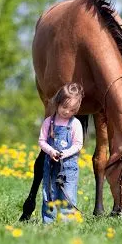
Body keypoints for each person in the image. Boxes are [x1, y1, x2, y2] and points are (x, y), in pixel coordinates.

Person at [38, 83, 84, 223]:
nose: (67, 112)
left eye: (71, 110)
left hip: (68, 168)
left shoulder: (75, 124)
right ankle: (48, 223)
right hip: (51, 166)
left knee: (67, 195)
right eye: (64, 107)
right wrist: (51, 151)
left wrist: (65, 153)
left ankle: (67, 224)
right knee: (49, 194)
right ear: (57, 103)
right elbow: (41, 141)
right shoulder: (48, 122)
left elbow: (78, 144)